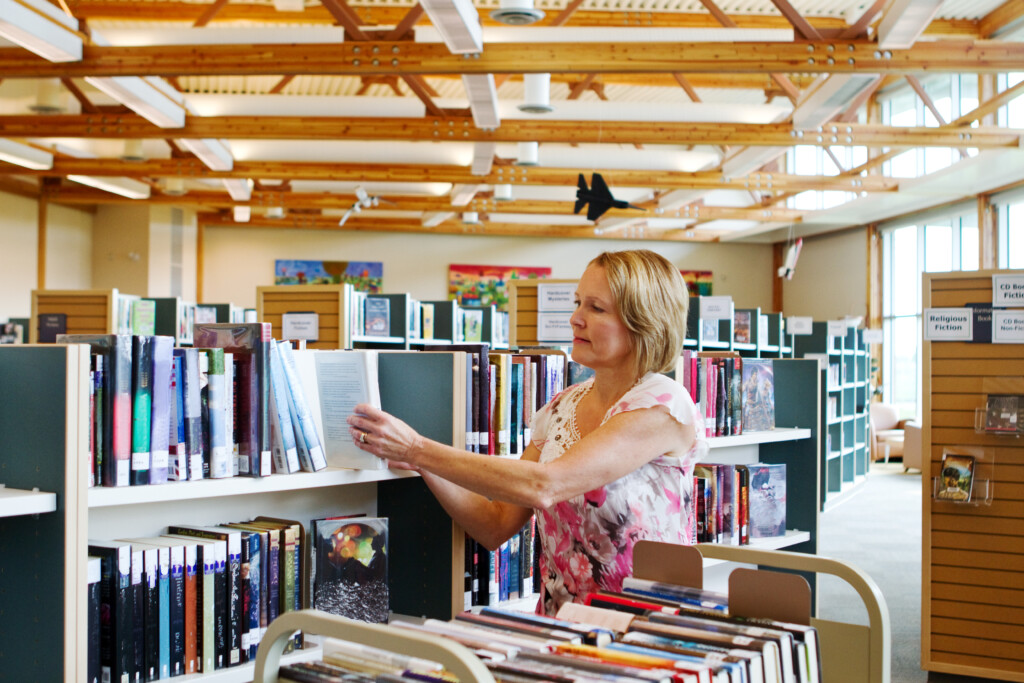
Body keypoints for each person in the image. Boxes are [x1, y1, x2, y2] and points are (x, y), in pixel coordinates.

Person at [347, 249, 708, 615]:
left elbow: (544, 485)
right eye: (577, 303)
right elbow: (496, 524)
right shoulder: (561, 407)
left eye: (596, 308)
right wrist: (424, 465)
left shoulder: (663, 405)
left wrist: (416, 448)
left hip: (644, 628)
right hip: (561, 625)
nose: (575, 319)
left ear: (644, 321)